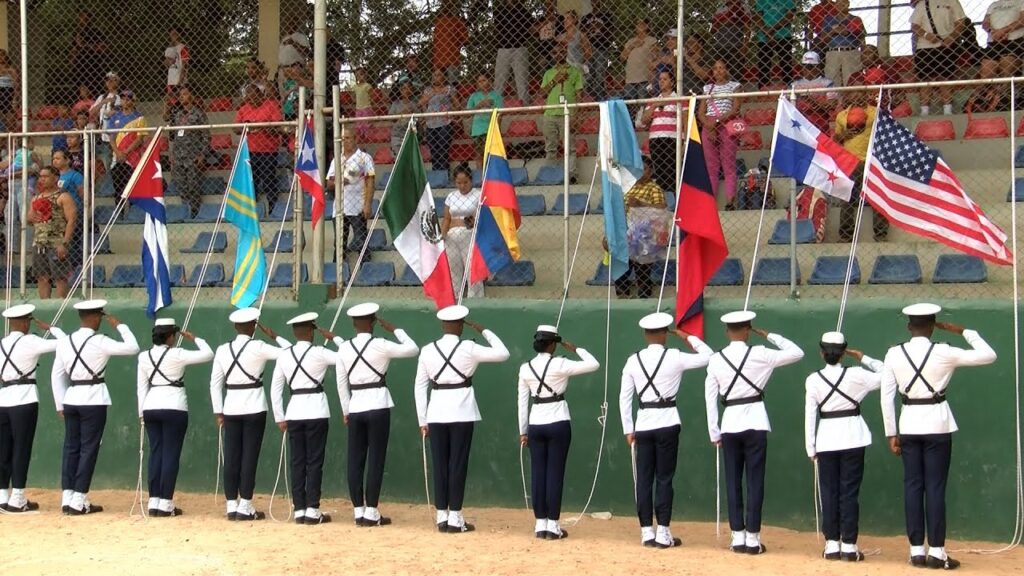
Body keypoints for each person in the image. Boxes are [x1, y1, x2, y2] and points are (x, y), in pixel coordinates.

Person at [880, 303, 997, 570]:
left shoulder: (893, 354)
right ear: (934, 326)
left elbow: (886, 397)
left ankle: (916, 550)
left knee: (912, 487)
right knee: (935, 487)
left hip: (908, 424)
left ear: (909, 326)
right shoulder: (944, 351)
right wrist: (965, 331)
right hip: (938, 425)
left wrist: (890, 433)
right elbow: (988, 355)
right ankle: (937, 551)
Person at [704, 310, 804, 554]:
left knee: (733, 480)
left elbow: (709, 398)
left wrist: (714, 432)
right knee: (755, 481)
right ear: (748, 329)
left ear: (727, 331)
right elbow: (797, 352)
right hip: (757, 422)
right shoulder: (760, 353)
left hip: (729, 424)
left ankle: (737, 536)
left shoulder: (716, 359)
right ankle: (753, 537)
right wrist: (769, 335)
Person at [620, 313, 713, 548]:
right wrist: (688, 338)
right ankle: (663, 531)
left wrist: (628, 428)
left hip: (643, 424)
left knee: (643, 479)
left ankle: (646, 531)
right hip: (668, 421)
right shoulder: (675, 356)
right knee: (664, 478)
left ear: (645, 334)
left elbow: (625, 397)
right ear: (664, 333)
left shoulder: (633, 360)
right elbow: (708, 356)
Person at [415, 305, 510, 533]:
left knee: (440, 464)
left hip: (436, 411)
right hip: (462, 411)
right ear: (461, 325)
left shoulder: (428, 350)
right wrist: (483, 330)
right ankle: (456, 516)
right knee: (457, 464)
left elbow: (419, 386)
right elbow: (503, 353)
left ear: (442, 325)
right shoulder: (469, 347)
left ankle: (441, 515)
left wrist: (422, 419)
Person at [51, 299, 140, 515]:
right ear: (93, 317)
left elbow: (57, 375)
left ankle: (68, 496)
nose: (100, 319)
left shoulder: (65, 342)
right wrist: (120, 326)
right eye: (99, 316)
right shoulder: (100, 341)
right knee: (88, 449)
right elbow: (133, 347)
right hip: (93, 399)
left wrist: (59, 403)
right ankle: (79, 499)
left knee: (71, 448)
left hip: (71, 398)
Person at [336, 303, 419, 526]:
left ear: (353, 324)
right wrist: (395, 330)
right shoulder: (381, 344)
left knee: (355, 459)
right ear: (373, 322)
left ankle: (358, 509)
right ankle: (372, 510)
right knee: (376, 459)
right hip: (378, 404)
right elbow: (413, 349)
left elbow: (341, 383)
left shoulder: (344, 348)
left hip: (355, 406)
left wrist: (346, 410)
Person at [804, 332, 883, 562]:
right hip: (853, 437)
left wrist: (811, 447)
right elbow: (886, 373)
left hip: (826, 438)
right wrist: (864, 357)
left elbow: (810, 415)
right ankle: (849, 545)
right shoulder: (857, 374)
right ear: (843, 352)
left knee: (828, 491)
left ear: (822, 353)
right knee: (849, 492)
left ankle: (831, 544)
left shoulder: (813, 379)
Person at [209, 307, 290, 522]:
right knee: (249, 457)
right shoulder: (259, 346)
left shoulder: (222, 350)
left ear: (236, 327)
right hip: (255, 407)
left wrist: (218, 411)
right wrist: (276, 336)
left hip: (231, 407)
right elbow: (292, 352)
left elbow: (215, 384)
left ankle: (231, 504)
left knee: (232, 455)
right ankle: (245, 504)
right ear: (254, 326)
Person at [519, 325, 599, 539]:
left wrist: (522, 430)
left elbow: (521, 402)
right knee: (555, 473)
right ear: (553, 344)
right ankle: (553, 525)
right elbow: (594, 365)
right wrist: (577, 349)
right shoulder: (561, 363)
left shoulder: (525, 368)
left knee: (538, 474)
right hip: (558, 421)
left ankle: (540, 524)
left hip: (535, 423)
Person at [136, 318, 214, 517]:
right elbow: (208, 354)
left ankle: (154, 501)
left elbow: (141, 387)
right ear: (170, 336)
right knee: (171, 454)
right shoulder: (178, 354)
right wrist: (195, 338)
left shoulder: (144, 356)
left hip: (151, 406)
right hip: (174, 406)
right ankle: (166, 503)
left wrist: (141, 413)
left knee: (156, 453)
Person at [270, 312, 341, 525]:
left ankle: (299, 508)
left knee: (297, 461)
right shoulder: (320, 352)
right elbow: (347, 356)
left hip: (293, 411)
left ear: (294, 332)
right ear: (311, 332)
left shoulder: (284, 355)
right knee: (314, 461)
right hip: (317, 411)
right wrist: (335, 338)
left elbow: (275, 388)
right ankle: (313, 508)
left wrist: (279, 416)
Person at [0, 304, 65, 513]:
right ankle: (17, 497)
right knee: (21, 448)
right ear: (23, 322)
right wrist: (51, 328)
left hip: (3, 400)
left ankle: (2, 496)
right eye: (28, 320)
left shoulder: (1, 344)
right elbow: (65, 344)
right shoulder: (31, 341)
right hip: (24, 400)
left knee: (4, 449)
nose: (29, 324)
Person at [835, 88, 888, 242]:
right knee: (847, 198)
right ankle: (846, 236)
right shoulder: (841, 116)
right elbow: (836, 140)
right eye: (853, 92)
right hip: (850, 162)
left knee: (876, 197)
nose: (857, 95)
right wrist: (842, 135)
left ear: (866, 94)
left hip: (872, 160)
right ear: (849, 95)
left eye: (860, 92)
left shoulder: (875, 113)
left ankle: (881, 235)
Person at [614, 160, 667, 299]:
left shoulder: (654, 188)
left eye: (645, 168)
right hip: (626, 231)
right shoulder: (628, 188)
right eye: (639, 169)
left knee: (642, 266)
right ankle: (622, 292)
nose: (642, 172)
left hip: (646, 234)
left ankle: (644, 293)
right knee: (623, 263)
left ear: (651, 171)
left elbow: (661, 209)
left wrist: (641, 204)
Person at [911, 0, 967, 115]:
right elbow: (914, 26)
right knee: (925, 79)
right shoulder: (922, 4)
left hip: (946, 45)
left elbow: (960, 22)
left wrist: (952, 38)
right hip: (925, 46)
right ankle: (924, 110)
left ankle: (947, 109)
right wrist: (926, 35)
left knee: (945, 77)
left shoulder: (953, 2)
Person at [28, 166, 77, 300]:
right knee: (41, 277)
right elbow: (29, 219)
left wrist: (64, 243)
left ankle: (62, 305)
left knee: (60, 277)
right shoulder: (36, 198)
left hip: (57, 242)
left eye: (46, 176)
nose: (42, 179)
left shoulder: (63, 197)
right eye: (40, 177)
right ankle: (45, 305)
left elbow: (71, 220)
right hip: (39, 243)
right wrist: (30, 217)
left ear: (55, 178)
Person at [326, 131, 375, 264]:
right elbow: (329, 183)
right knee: (339, 243)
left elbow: (370, 181)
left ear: (355, 138)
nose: (344, 141)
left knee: (361, 241)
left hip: (358, 205)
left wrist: (368, 204)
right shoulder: (337, 159)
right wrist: (343, 179)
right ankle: (339, 273)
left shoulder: (364, 158)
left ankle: (366, 269)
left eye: (347, 138)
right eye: (342, 139)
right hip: (339, 207)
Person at [235, 83, 284, 215]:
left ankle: (274, 209)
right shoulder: (244, 109)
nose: (252, 99)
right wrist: (247, 126)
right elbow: (236, 129)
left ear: (260, 94)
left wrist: (263, 127)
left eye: (254, 95)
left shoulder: (271, 106)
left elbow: (278, 126)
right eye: (249, 96)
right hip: (250, 151)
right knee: (252, 180)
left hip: (268, 150)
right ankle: (252, 210)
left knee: (268, 179)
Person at [699, 60, 742, 209]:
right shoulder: (707, 88)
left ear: (727, 70)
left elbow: (735, 108)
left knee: (728, 165)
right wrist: (709, 125)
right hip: (709, 125)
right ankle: (711, 202)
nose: (718, 71)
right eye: (715, 68)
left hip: (726, 124)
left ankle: (730, 201)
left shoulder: (735, 86)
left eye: (721, 68)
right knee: (711, 167)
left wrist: (716, 122)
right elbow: (701, 112)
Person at [166, 86, 210, 219]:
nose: (181, 97)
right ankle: (186, 210)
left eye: (185, 94)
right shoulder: (178, 115)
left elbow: (206, 135)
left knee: (193, 185)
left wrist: (202, 154)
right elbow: (175, 137)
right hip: (179, 156)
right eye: (180, 95)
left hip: (193, 156)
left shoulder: (199, 114)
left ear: (191, 96)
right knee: (181, 185)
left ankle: (195, 212)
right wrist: (172, 154)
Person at [542, 44, 583, 184]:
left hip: (568, 114)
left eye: (560, 51)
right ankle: (551, 176)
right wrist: (555, 80)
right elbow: (542, 93)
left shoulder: (575, 71)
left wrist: (576, 116)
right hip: (550, 114)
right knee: (550, 147)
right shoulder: (548, 73)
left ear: (565, 53)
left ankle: (571, 176)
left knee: (570, 147)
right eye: (554, 52)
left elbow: (579, 95)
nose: (557, 54)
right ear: (552, 55)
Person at [443, 164, 484, 298]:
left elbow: (481, 217)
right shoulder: (451, 196)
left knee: (472, 271)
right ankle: (454, 298)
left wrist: (466, 221)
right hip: (451, 238)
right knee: (454, 271)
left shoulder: (478, 195)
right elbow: (447, 219)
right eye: (458, 183)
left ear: (471, 180)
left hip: (470, 236)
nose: (462, 186)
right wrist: (443, 234)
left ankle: (476, 301)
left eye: (465, 182)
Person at [978, 0, 1024, 109]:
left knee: (1006, 65)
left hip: (1014, 40)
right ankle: (990, 95)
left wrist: (1004, 31)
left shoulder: (1021, 2)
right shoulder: (994, 5)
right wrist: (992, 31)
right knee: (986, 70)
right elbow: (985, 23)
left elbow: (1022, 20)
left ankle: (1003, 96)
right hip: (994, 41)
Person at [640, 72, 678, 194]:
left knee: (671, 169)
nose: (661, 81)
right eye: (660, 79)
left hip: (672, 138)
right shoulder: (653, 100)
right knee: (659, 170)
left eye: (665, 79)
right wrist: (654, 106)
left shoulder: (678, 98)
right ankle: (663, 199)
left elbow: (685, 119)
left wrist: (683, 140)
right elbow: (644, 120)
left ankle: (673, 199)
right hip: (655, 138)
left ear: (672, 82)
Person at [420, 69, 460, 175]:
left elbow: (457, 105)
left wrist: (451, 112)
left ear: (444, 77)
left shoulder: (449, 89)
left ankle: (444, 174)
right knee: (433, 151)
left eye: (438, 75)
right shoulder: (428, 90)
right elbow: (420, 103)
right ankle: (436, 174)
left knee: (443, 149)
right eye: (434, 75)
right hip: (430, 123)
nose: (435, 77)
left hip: (444, 122)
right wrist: (431, 95)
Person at [493, 0, 533, 104]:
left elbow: (530, 28)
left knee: (522, 79)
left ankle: (524, 104)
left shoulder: (523, 11)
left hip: (519, 47)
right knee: (500, 79)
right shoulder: (500, 11)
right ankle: (496, 105)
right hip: (503, 47)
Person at [790, 51, 839, 134]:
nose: (808, 69)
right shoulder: (794, 85)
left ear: (818, 67)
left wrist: (811, 100)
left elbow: (831, 105)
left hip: (821, 125)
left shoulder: (827, 83)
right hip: (800, 125)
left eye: (811, 66)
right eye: (805, 66)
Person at [109, 89, 146, 198]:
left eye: (128, 99)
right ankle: (119, 213)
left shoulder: (139, 118)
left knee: (132, 188)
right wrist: (118, 153)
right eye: (123, 99)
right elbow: (111, 138)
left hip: (132, 158)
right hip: (117, 158)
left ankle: (131, 211)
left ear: (133, 102)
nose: (125, 101)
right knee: (118, 188)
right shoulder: (115, 117)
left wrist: (125, 152)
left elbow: (139, 138)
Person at [820, 0, 865, 87]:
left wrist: (848, 32)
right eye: (838, 3)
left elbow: (862, 38)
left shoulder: (855, 19)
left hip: (851, 50)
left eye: (843, 3)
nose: (841, 5)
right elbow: (822, 39)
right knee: (831, 79)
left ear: (848, 4)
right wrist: (833, 32)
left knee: (851, 79)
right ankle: (834, 99)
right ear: (835, 5)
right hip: (833, 51)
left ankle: (850, 99)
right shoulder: (829, 19)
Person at [52, 150, 85, 270]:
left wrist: (82, 211)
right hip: (56, 215)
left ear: (67, 160)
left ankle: (77, 267)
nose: (55, 160)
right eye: (54, 158)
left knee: (73, 242)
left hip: (72, 213)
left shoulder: (75, 176)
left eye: (58, 158)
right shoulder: (52, 176)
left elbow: (83, 195)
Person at [753, 0, 795, 87]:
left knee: (786, 64)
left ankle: (789, 89)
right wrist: (767, 32)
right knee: (763, 65)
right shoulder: (761, 1)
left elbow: (789, 17)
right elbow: (757, 18)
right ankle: (763, 91)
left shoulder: (788, 1)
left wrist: (771, 30)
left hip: (783, 35)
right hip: (764, 37)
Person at [466, 73, 503, 167]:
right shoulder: (474, 96)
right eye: (479, 81)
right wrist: (480, 105)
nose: (481, 83)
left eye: (484, 80)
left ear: (490, 82)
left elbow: (500, 114)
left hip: (491, 129)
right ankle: (481, 177)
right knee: (479, 155)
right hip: (477, 130)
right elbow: (467, 114)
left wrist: (496, 129)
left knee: (492, 155)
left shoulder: (496, 96)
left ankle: (491, 176)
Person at [710, 0, 752, 83]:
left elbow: (747, 29)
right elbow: (713, 30)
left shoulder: (743, 8)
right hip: (720, 46)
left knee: (736, 75)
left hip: (736, 47)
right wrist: (724, 21)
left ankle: (735, 93)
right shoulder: (720, 9)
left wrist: (745, 46)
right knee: (720, 74)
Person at [89, 72, 122, 178]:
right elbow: (91, 112)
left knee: (114, 163)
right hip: (103, 135)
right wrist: (104, 102)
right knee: (106, 163)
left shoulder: (121, 97)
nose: (109, 83)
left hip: (116, 134)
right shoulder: (102, 97)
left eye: (112, 80)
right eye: (107, 80)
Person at [621, 19, 658, 102]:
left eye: (642, 24)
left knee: (643, 103)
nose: (639, 25)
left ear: (647, 26)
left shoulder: (651, 40)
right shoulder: (630, 41)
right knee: (629, 104)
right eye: (638, 24)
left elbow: (655, 56)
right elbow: (622, 58)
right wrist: (632, 46)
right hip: (630, 78)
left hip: (644, 77)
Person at [433, 0, 469, 84]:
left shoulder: (457, 21)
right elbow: (465, 39)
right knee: (438, 85)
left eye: (448, 4)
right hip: (440, 59)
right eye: (445, 4)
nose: (446, 6)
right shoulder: (439, 22)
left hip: (451, 59)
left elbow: (465, 39)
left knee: (452, 84)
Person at [582, 3, 612, 102]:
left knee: (599, 73)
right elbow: (581, 32)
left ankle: (599, 98)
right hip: (588, 48)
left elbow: (610, 32)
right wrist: (590, 28)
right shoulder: (586, 17)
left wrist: (607, 44)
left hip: (601, 48)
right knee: (589, 75)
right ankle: (590, 97)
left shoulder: (606, 15)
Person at [388, 77, 418, 156]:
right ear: (400, 90)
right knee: (398, 158)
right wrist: (402, 113)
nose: (406, 91)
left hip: (410, 135)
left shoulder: (414, 105)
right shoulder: (396, 104)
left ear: (412, 91)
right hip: (397, 136)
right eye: (404, 88)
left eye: (409, 88)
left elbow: (419, 118)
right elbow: (391, 118)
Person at [164, 27, 190, 93]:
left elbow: (185, 65)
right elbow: (167, 64)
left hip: (180, 80)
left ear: (179, 34)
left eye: (175, 34)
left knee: (181, 99)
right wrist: (169, 60)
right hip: (171, 79)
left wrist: (180, 80)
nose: (173, 35)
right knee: (171, 101)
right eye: (171, 34)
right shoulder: (169, 48)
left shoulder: (183, 47)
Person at [352, 67, 374, 140]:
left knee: (366, 122)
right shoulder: (355, 87)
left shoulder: (367, 86)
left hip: (366, 107)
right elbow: (353, 96)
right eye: (357, 75)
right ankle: (361, 134)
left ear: (365, 75)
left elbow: (372, 96)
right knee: (359, 122)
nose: (359, 77)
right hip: (358, 108)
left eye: (361, 74)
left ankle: (367, 135)